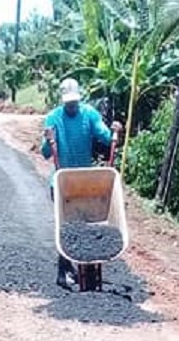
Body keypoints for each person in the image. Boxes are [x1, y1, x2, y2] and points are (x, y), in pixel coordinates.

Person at [41, 78, 123, 289]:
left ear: (79, 98)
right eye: (69, 102)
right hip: (63, 180)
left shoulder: (89, 114)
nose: (72, 105)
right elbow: (45, 153)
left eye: (74, 102)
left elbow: (105, 138)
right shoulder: (53, 118)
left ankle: (84, 266)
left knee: (86, 225)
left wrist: (114, 132)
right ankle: (63, 271)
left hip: (86, 181)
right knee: (66, 226)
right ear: (63, 100)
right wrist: (48, 138)